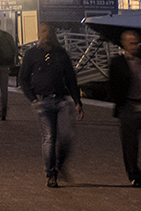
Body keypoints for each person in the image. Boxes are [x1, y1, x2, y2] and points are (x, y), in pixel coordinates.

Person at [20, 22, 83, 188]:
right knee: (49, 137)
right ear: (39, 34)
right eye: (43, 31)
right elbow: (23, 78)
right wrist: (32, 98)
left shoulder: (61, 54)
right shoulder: (32, 54)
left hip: (61, 100)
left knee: (67, 135)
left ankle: (59, 165)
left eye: (48, 31)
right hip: (42, 101)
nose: (46, 34)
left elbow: (70, 78)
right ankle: (51, 173)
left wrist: (77, 100)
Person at [108, 29, 141, 187]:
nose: (135, 46)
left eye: (136, 43)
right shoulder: (118, 63)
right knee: (130, 146)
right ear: (124, 44)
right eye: (131, 43)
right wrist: (120, 104)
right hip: (129, 107)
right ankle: (134, 176)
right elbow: (112, 85)